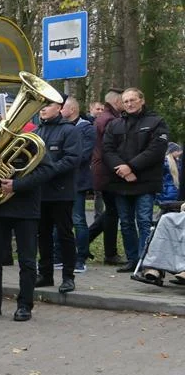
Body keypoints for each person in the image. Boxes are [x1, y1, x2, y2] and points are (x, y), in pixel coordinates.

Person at [0, 125, 56, 322]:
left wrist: (17, 185)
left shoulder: (32, 142)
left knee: (26, 260)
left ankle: (25, 305)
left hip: (25, 208)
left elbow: (48, 170)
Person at [102, 87, 170, 272]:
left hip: (145, 182)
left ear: (142, 100)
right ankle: (132, 260)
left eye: (133, 100)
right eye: (126, 101)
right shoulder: (115, 124)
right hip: (120, 182)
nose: (129, 104)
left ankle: (145, 260)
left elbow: (156, 150)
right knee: (125, 222)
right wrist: (123, 171)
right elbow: (107, 150)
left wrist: (131, 167)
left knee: (144, 221)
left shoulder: (156, 122)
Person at [34, 95, 83, 294]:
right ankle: (45, 274)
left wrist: (48, 171)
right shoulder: (37, 131)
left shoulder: (69, 130)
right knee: (42, 234)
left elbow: (72, 159)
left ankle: (68, 277)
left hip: (61, 192)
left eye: (48, 105)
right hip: (40, 192)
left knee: (64, 235)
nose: (42, 109)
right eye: (41, 106)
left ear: (60, 108)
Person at [88, 90, 124, 265]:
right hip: (108, 172)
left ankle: (84, 241)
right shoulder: (111, 120)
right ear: (117, 101)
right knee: (112, 213)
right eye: (124, 101)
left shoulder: (103, 117)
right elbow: (112, 148)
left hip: (102, 171)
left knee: (111, 211)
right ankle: (110, 253)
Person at [61, 96, 96, 273]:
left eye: (63, 108)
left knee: (78, 219)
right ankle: (58, 257)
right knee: (60, 221)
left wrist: (60, 161)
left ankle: (80, 258)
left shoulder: (87, 129)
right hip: (59, 182)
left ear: (72, 110)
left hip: (77, 182)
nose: (60, 110)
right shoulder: (61, 127)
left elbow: (83, 156)